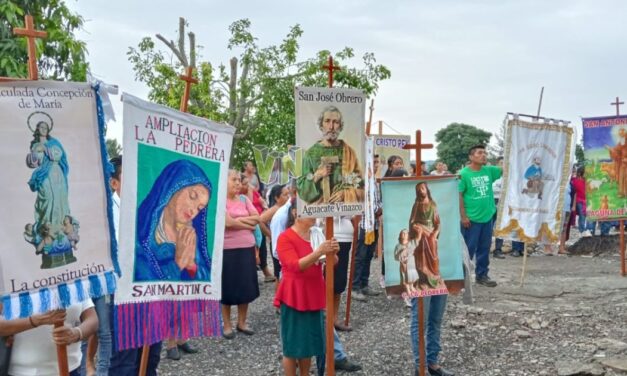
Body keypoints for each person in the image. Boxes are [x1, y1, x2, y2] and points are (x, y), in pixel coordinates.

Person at [274, 204, 339, 376]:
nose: (315, 215)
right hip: (294, 294)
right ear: (296, 213)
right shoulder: (285, 238)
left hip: (313, 292)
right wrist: (319, 252)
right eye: (311, 211)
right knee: (292, 345)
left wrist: (333, 253)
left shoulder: (316, 234)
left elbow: (330, 262)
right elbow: (295, 265)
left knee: (309, 343)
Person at [134, 160, 213, 281]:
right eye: (192, 196)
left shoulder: (190, 235)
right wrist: (177, 264)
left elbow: (207, 279)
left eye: (199, 208)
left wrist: (191, 266)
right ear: (173, 186)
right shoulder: (142, 232)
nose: (193, 210)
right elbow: (141, 279)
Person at [25, 116, 78, 268]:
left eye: (45, 127)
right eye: (41, 127)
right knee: (47, 199)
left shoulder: (54, 143)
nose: (43, 129)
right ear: (37, 130)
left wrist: (46, 149)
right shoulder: (35, 145)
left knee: (60, 199)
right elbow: (33, 162)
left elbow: (59, 155)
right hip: (44, 175)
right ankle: (47, 230)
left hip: (57, 173)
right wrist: (36, 154)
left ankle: (61, 231)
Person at [1, 303, 98, 376]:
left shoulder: (72, 278)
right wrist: (34, 321)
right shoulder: (8, 279)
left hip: (72, 368)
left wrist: (76, 333)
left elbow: (92, 319)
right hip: (23, 371)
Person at [222, 170, 261, 339]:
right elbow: (226, 222)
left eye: (239, 180)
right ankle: (227, 324)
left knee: (245, 285)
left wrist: (236, 222)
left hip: (246, 248)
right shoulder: (219, 200)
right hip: (227, 249)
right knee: (227, 287)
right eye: (234, 180)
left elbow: (257, 218)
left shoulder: (245, 200)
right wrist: (247, 223)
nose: (238, 183)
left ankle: (242, 322)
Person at [297, 106, 364, 204]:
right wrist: (317, 175)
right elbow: (303, 192)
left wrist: (345, 194)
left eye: (336, 122)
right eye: (327, 121)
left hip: (344, 211)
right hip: (319, 213)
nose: (331, 127)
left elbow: (360, 185)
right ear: (321, 125)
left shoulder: (349, 152)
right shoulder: (310, 154)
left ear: (340, 126)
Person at [459, 145, 502, 287]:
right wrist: (463, 216)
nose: (483, 155)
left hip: (487, 217)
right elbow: (458, 195)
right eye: (479, 153)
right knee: (468, 249)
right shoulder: (464, 174)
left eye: (485, 152)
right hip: (471, 219)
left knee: (485, 248)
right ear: (471, 157)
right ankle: (461, 277)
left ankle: (482, 275)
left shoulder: (489, 171)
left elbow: (506, 168)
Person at [351, 154, 382, 302]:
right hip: (364, 223)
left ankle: (364, 283)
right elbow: (360, 202)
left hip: (374, 223)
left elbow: (379, 201)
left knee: (369, 254)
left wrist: (380, 208)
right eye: (373, 162)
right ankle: (355, 286)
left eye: (377, 162)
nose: (376, 165)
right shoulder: (362, 182)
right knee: (360, 256)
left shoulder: (375, 181)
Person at [241, 174, 276, 282]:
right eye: (245, 184)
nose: (249, 186)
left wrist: (265, 208)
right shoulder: (241, 197)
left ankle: (264, 268)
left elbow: (262, 201)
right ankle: (262, 269)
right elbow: (249, 211)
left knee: (262, 243)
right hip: (253, 221)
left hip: (259, 217)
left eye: (248, 183)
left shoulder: (252, 191)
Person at [408, 182, 443, 290]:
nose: (421, 191)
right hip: (420, 233)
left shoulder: (432, 204)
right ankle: (423, 280)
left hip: (431, 233)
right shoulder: (417, 204)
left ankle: (434, 278)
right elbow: (412, 221)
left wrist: (435, 234)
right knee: (421, 256)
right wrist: (416, 227)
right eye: (419, 190)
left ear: (427, 189)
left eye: (422, 188)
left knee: (433, 257)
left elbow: (437, 223)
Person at [410, 295, 455, 376]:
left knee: (436, 320)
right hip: (418, 282)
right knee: (420, 322)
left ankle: (432, 363)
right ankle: (421, 368)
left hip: (441, 282)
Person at [492, 157, 524, 258]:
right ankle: (497, 249)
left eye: (505, 163)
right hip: (494, 203)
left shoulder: (513, 178)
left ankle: (517, 249)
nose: (503, 165)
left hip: (509, 204)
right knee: (497, 227)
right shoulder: (493, 177)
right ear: (497, 164)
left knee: (513, 225)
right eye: (501, 163)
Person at [572, 166, 593, 237]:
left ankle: (589, 229)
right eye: (585, 173)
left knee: (590, 215)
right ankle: (582, 230)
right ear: (581, 173)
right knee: (582, 216)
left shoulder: (588, 181)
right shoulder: (574, 180)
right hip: (579, 201)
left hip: (588, 201)